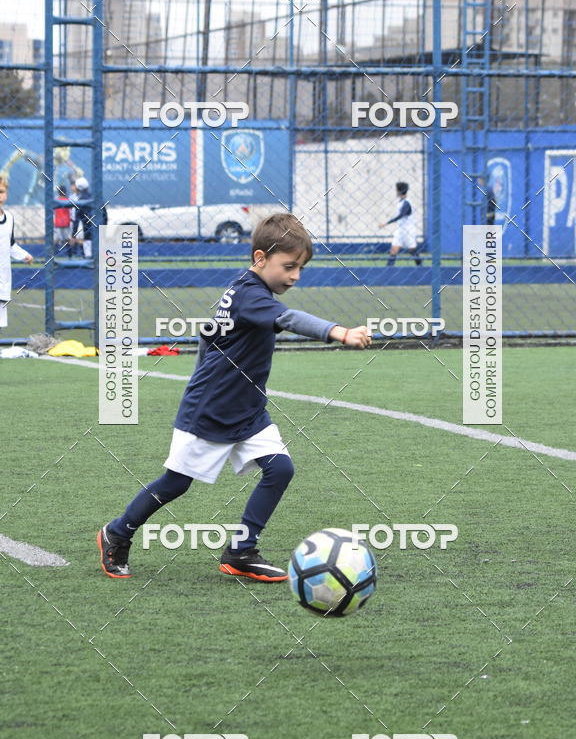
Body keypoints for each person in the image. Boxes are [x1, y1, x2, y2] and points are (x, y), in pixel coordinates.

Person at [97, 213, 372, 581]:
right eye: (289, 266)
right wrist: (337, 332)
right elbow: (289, 319)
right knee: (176, 483)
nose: (294, 276)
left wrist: (201, 370)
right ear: (260, 258)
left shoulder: (243, 289)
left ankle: (241, 552)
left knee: (280, 469)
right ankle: (117, 532)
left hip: (247, 408)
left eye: (301, 268)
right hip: (211, 409)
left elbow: (207, 335)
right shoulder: (250, 296)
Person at [0, 175, 34, 330]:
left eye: (1, 191)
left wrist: (23, 255)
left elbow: (10, 244)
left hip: (3, 275)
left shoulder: (9, 218)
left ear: (6, 194)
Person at [379, 181, 422, 266]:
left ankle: (421, 267)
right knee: (394, 249)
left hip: (408, 231)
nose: (396, 192)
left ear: (399, 191)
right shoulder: (401, 202)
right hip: (400, 230)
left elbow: (401, 215)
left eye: (396, 190)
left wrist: (386, 223)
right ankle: (388, 269)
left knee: (412, 250)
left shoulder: (407, 203)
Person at [69, 176, 107, 258]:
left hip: (87, 233)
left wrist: (73, 235)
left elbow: (76, 220)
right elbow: (105, 214)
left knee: (89, 258)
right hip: (99, 230)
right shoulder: (97, 198)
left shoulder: (79, 201)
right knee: (102, 258)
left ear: (78, 188)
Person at [53, 184, 72, 254]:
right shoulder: (68, 200)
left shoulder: (56, 201)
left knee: (55, 240)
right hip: (66, 222)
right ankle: (70, 256)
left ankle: (52, 255)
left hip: (58, 223)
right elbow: (71, 211)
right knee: (68, 240)